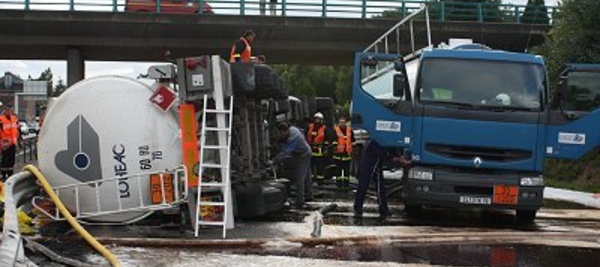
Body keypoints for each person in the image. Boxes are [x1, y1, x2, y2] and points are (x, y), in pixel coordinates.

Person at [353, 140, 411, 219]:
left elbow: (392, 148)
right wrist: (395, 159)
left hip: (372, 165)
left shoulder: (381, 139)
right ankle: (383, 210)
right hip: (372, 165)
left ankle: (358, 207)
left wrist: (399, 157)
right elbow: (381, 153)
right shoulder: (376, 141)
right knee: (378, 188)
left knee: (364, 186)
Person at [273, 121, 313, 209]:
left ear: (285, 131)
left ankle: (300, 201)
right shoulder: (292, 129)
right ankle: (309, 195)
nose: (280, 135)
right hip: (301, 151)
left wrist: (274, 161)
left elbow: (285, 153)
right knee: (307, 176)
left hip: (303, 154)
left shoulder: (293, 138)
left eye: (280, 133)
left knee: (300, 176)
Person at [306, 112, 329, 185]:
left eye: (318, 119)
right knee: (311, 167)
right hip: (310, 150)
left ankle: (320, 182)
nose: (317, 120)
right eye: (316, 119)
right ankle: (311, 181)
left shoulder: (324, 128)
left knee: (320, 168)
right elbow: (305, 135)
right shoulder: (310, 127)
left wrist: (326, 148)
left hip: (320, 151)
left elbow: (327, 139)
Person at [331, 116, 354, 189]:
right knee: (338, 171)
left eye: (343, 122)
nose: (342, 124)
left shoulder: (350, 131)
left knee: (347, 172)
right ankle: (339, 185)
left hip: (347, 154)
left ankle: (346, 185)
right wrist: (334, 147)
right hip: (338, 154)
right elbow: (333, 140)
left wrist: (353, 148)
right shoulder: (336, 130)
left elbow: (353, 140)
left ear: (345, 123)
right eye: (341, 122)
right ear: (338, 123)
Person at [0, 103, 19, 181]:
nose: (9, 112)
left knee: (11, 159)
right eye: (8, 110)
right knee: (5, 159)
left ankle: (10, 174)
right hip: (4, 143)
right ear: (5, 111)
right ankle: (3, 175)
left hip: (13, 143)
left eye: (10, 110)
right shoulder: (1, 119)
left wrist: (18, 139)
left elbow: (17, 129)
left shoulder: (14, 118)